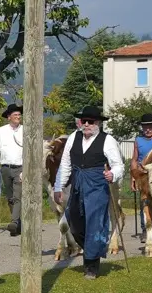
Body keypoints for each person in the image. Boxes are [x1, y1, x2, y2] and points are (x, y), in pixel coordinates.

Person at [53, 105, 124, 278]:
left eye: (90, 121)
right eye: (83, 121)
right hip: (77, 183)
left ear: (97, 123)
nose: (86, 124)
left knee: (94, 223)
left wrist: (112, 174)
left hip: (97, 184)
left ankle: (91, 265)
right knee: (74, 223)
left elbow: (119, 165)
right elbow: (65, 165)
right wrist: (58, 187)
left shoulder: (108, 140)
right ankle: (91, 248)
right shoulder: (73, 137)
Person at [0, 104, 24, 236]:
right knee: (9, 198)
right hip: (5, 168)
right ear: (9, 117)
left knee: (17, 196)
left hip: (20, 167)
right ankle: (17, 223)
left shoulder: (24, 130)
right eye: (15, 115)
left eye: (19, 115)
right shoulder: (0, 131)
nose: (18, 117)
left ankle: (14, 222)